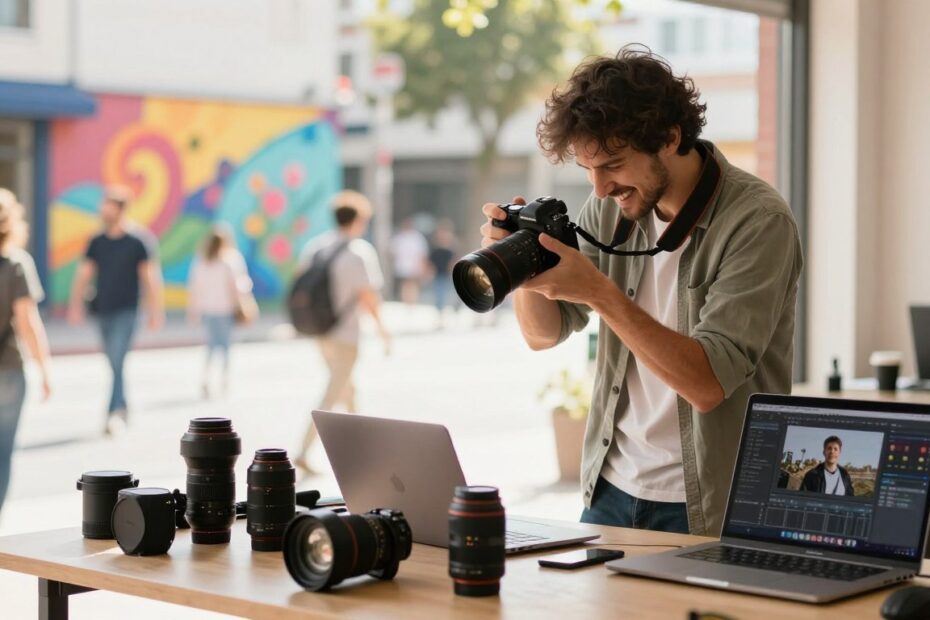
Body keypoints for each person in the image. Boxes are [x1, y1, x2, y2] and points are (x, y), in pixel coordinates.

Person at [478, 46, 802, 536]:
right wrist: (521, 263)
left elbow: (708, 385)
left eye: (613, 165)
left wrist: (602, 293)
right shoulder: (612, 207)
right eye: (588, 171)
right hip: (610, 488)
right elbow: (543, 335)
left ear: (670, 138)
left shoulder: (757, 221)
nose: (601, 188)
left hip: (712, 504)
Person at [295, 190, 390, 473]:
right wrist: (384, 332)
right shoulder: (359, 252)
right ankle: (303, 449)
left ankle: (362, 452)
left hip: (321, 332)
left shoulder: (316, 247)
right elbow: (368, 298)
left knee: (347, 389)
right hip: (347, 335)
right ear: (359, 220)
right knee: (333, 393)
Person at [67, 186, 164, 435]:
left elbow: (151, 278)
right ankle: (123, 405)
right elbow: (84, 274)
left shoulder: (138, 241)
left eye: (108, 206)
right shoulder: (97, 241)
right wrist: (75, 304)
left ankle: (112, 413)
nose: (103, 210)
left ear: (120, 209)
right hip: (102, 310)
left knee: (118, 359)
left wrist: (156, 310)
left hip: (128, 310)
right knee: (113, 361)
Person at [0, 188, 51, 515]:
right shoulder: (17, 264)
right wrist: (44, 369)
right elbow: (27, 322)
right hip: (8, 370)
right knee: (2, 452)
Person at [187, 224, 253, 398]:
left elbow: (195, 288)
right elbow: (237, 287)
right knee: (225, 347)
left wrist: (193, 310)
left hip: (208, 309)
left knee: (211, 346)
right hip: (225, 310)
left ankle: (206, 379)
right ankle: (224, 380)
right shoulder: (230, 260)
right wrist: (243, 305)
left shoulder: (201, 262)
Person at [427, 219, 458, 327]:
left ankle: (452, 312)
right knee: (439, 296)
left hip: (448, 275)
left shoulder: (452, 247)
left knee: (450, 295)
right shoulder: (434, 247)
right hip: (438, 275)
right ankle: (440, 317)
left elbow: (455, 261)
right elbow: (430, 261)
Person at [390, 218, 428, 304]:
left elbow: (422, 253)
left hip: (414, 266)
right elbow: (393, 251)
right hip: (402, 266)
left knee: (412, 284)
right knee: (405, 285)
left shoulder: (417, 237)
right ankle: (406, 300)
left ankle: (412, 301)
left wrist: (422, 266)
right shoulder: (399, 237)